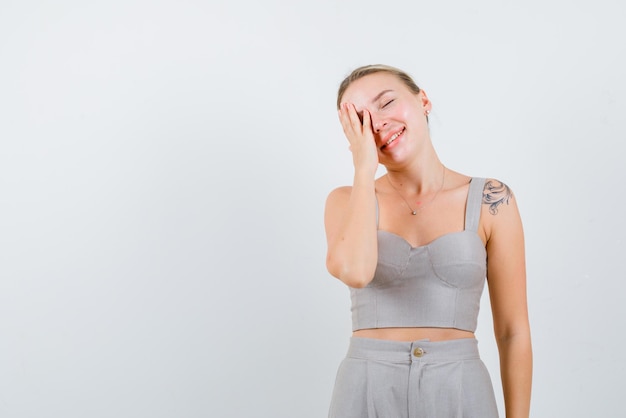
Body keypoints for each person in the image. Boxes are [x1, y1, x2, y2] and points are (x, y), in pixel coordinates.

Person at [324, 64, 532, 418]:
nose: (377, 123)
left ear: (423, 101)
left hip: (460, 390)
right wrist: (364, 169)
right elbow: (356, 272)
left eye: (386, 103)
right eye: (360, 121)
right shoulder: (346, 200)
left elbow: (513, 331)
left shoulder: (490, 200)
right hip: (366, 390)